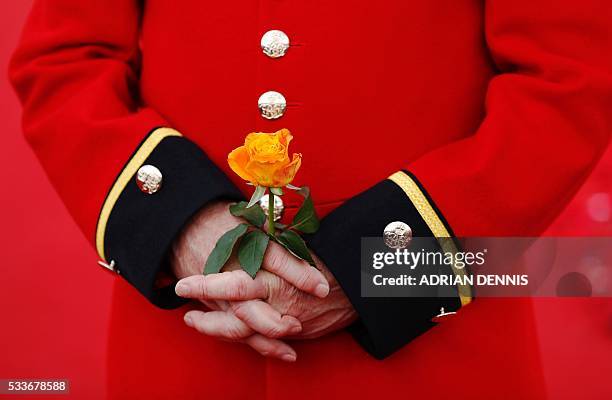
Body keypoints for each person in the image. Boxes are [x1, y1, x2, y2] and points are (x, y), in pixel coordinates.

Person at [9, 0, 612, 398]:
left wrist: (376, 267)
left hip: (431, 358)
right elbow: (66, 61)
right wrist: (182, 226)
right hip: (191, 347)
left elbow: (569, 82)